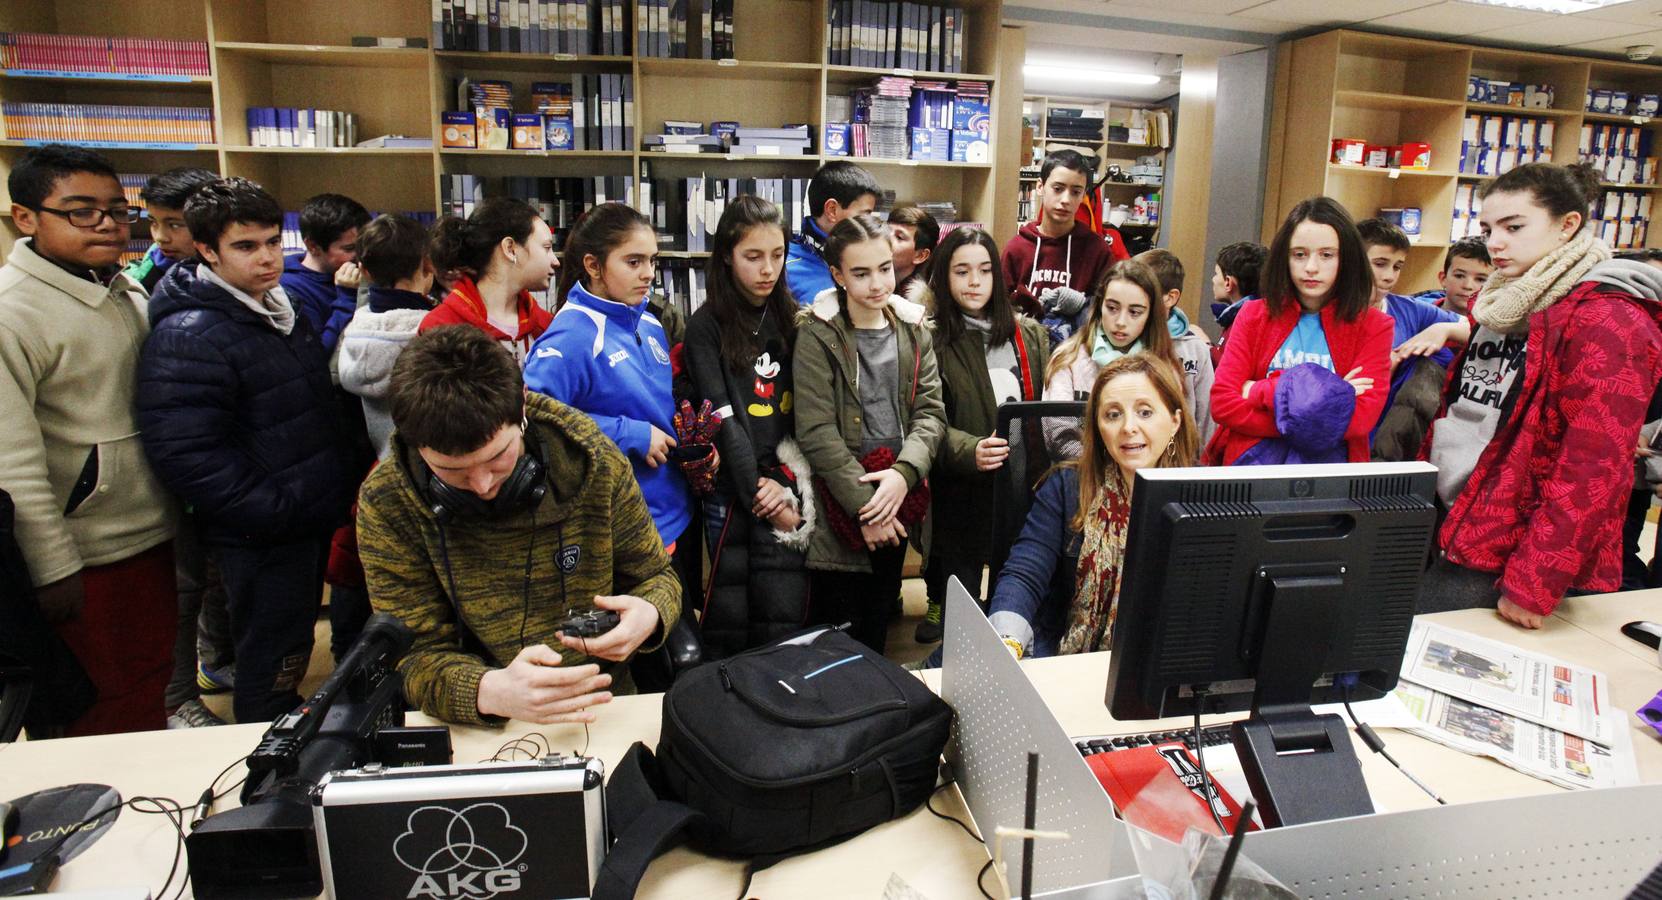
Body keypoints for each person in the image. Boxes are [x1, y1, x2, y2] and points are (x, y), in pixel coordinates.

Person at [357, 325, 681, 725]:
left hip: (602, 708)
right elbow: (412, 654)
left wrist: (650, 612)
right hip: (473, 723)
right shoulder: (388, 501)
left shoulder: (594, 460)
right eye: (451, 472)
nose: (482, 485)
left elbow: (657, 576)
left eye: (497, 459)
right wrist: (484, 691)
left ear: (522, 408)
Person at [137, 176, 355, 724]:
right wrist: (276, 508)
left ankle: (280, 728)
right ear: (207, 250)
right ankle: (264, 763)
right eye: (245, 246)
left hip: (299, 516)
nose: (266, 259)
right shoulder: (190, 332)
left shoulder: (276, 309)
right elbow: (189, 454)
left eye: (270, 242)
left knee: (289, 650)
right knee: (270, 657)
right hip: (262, 527)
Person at [1423, 163, 1662, 629]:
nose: (1495, 243)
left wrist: (1535, 582)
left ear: (1567, 225)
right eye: (1488, 228)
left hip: (1511, 549)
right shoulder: (1505, 299)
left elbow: (1593, 467)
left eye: (1514, 227)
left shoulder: (1609, 320)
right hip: (1453, 520)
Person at [0, 144, 177, 735]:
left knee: (148, 681)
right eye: (81, 211)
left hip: (146, 533)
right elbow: (12, 461)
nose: (107, 223)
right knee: (96, 706)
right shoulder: (12, 313)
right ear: (26, 217)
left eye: (117, 209)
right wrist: (51, 567)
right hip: (83, 557)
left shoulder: (121, 287)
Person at [524, 203, 701, 605]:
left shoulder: (649, 320)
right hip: (628, 526)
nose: (648, 273)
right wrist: (629, 433)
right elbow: (533, 424)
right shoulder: (571, 335)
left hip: (676, 508)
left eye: (652, 260)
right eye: (633, 261)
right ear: (593, 265)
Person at [795, 213, 945, 654]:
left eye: (884, 269)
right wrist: (868, 509)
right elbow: (816, 429)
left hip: (899, 494)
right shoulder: (817, 334)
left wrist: (903, 475)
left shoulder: (914, 329)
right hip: (842, 500)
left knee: (878, 619)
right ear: (837, 275)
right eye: (860, 273)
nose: (877, 283)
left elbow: (931, 413)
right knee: (837, 629)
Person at [987, 355, 1199, 658]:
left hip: (1157, 663)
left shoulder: (1201, 501)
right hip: (1064, 655)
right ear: (1098, 427)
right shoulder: (1067, 485)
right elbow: (1025, 572)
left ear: (1175, 421)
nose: (1128, 427)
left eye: (1145, 412)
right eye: (1113, 415)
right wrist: (1007, 640)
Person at [683, 196, 814, 658]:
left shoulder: (792, 317)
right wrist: (759, 491)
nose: (767, 269)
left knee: (782, 606)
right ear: (726, 256)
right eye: (753, 257)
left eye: (777, 255)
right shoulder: (706, 326)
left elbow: (807, 413)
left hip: (788, 477)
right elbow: (721, 417)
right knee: (731, 607)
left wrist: (785, 484)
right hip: (733, 484)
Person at [914, 226, 1048, 644]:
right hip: (960, 486)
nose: (975, 282)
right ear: (943, 277)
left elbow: (1045, 402)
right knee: (961, 597)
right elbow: (922, 417)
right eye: (962, 271)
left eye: (985, 270)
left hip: (1021, 483)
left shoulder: (1029, 335)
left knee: (1013, 588)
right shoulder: (930, 337)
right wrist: (969, 449)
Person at [1207, 197, 1392, 466]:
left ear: (1346, 258)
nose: (1311, 268)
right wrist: (1334, 396)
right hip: (1249, 470)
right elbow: (1224, 405)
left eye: (1326, 255)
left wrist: (1259, 390)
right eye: (1299, 254)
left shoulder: (1375, 326)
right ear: (1285, 257)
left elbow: (1360, 420)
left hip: (1329, 478)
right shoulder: (1253, 314)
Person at [1354, 217, 1471, 461]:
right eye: (1380, 264)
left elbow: (1477, 328)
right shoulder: (1328, 312)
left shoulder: (1410, 309)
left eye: (1397, 267)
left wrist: (1442, 330)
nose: (1389, 276)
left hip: (1387, 435)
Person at [1042, 258, 1178, 461]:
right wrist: (1107, 467)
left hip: (1142, 478)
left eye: (1134, 312)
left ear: (1150, 316)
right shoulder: (1067, 358)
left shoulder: (1165, 366)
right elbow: (1059, 437)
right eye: (1112, 308)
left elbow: (1173, 436)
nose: (1121, 322)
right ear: (1099, 307)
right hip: (1078, 476)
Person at [340, 214, 439, 459]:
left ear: (363, 270)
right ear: (428, 264)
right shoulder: (435, 331)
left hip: (385, 464)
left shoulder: (354, 329)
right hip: (437, 468)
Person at [422, 198, 557, 363]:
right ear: (510, 248)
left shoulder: (547, 326)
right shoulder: (440, 329)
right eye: (547, 248)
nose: (555, 261)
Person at [1001, 149, 1123, 323]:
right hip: (1026, 343)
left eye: (1075, 192)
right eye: (1058, 189)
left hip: (1076, 346)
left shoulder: (1096, 249)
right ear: (1040, 187)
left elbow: (1109, 308)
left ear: (1083, 195)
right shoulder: (1017, 248)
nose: (1066, 199)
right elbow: (999, 307)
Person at [1134, 248, 1215, 444]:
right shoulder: (1121, 341)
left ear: (1170, 297)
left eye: (1144, 292)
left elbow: (1207, 419)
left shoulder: (1195, 349)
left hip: (1182, 462)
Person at [281, 193, 370, 353]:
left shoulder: (358, 268)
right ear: (313, 246)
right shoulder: (290, 289)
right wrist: (347, 299)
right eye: (349, 249)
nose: (360, 255)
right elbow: (317, 353)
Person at [785, 160, 880, 305]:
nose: (868, 222)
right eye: (864, 214)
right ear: (832, 210)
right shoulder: (785, 265)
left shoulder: (870, 254)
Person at [123, 167, 217, 294]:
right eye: (154, 222)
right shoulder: (138, 282)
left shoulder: (238, 273)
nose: (160, 237)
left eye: (175, 225)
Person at [1208, 240, 1267, 364]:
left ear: (1228, 282)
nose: (1213, 279)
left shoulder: (1245, 324)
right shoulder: (1260, 318)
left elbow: (1226, 366)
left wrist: (1203, 346)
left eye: (1216, 274)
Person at [1415, 237, 1494, 317]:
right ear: (1443, 279)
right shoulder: (1414, 312)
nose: (1467, 286)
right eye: (1459, 276)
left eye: (1480, 279)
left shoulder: (1499, 327)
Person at [888, 204, 939, 300]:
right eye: (886, 231)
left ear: (920, 256)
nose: (886, 238)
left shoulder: (916, 303)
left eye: (899, 237)